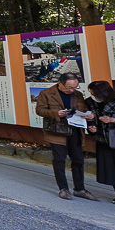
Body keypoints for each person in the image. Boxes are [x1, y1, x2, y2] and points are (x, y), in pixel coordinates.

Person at [34, 72, 97, 200]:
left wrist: (89, 116)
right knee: (59, 160)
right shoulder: (46, 93)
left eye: (74, 87)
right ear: (60, 83)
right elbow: (40, 110)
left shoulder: (77, 95)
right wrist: (56, 113)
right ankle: (63, 188)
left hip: (75, 130)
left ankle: (79, 189)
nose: (71, 90)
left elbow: (83, 110)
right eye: (68, 87)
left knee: (78, 160)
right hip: (57, 131)